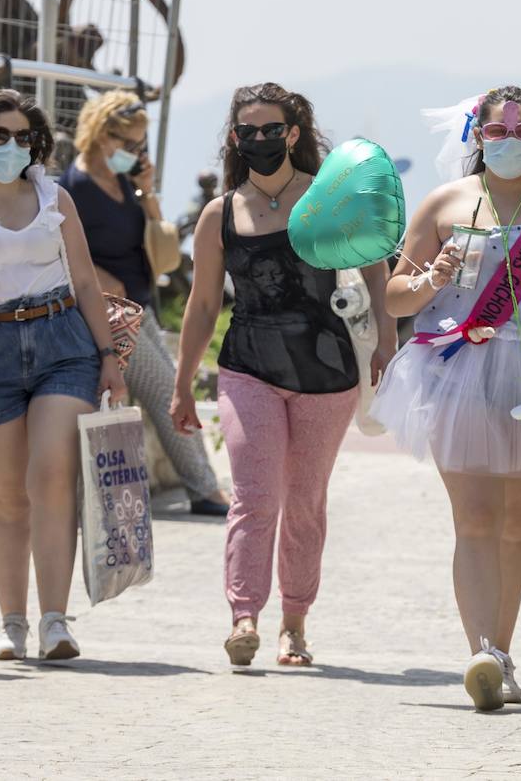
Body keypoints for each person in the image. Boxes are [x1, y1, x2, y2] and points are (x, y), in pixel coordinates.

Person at [371, 86, 521, 711]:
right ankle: (482, 651)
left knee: (516, 520)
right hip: (460, 370)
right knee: (473, 518)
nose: (509, 142)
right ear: (475, 137)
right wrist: (432, 277)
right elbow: (396, 297)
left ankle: (502, 651)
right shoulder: (446, 202)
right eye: (497, 133)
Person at [169, 82, 394, 668]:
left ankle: (294, 624)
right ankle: (244, 614)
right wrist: (182, 382)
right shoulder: (221, 214)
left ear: (293, 134)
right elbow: (200, 305)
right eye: (249, 132)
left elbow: (376, 265)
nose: (261, 140)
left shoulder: (328, 199)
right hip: (249, 367)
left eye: (273, 129)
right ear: (235, 139)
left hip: (327, 369)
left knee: (304, 501)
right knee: (255, 494)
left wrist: (386, 338)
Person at [0, 89, 126, 661]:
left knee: (52, 475)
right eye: (0, 136)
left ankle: (55, 621)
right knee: (7, 495)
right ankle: (12, 622)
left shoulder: (54, 196)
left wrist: (108, 358)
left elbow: (86, 281)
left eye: (23, 137)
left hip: (65, 340)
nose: (13, 146)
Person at [59, 90, 231, 516]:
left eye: (140, 144)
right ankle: (205, 490)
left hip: (141, 303)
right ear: (102, 135)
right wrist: (102, 279)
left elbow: (160, 238)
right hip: (109, 311)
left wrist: (147, 190)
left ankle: (204, 485)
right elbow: (62, 250)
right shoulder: (75, 186)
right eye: (130, 143)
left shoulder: (124, 181)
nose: (135, 152)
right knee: (162, 390)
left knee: (173, 387)